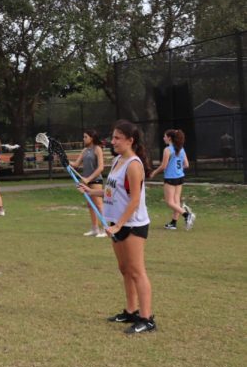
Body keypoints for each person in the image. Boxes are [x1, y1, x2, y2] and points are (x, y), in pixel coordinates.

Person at [78, 120, 156, 334]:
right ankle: (131, 311)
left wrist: (120, 224)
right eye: (112, 137)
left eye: (117, 138)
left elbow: (134, 200)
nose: (113, 142)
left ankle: (147, 318)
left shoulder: (133, 164)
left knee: (137, 271)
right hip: (114, 223)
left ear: (130, 140)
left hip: (132, 224)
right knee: (125, 269)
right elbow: (112, 192)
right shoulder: (118, 161)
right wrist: (91, 191)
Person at [149, 129, 194, 230]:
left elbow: (164, 166)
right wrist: (177, 169)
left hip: (170, 178)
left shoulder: (168, 150)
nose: (163, 138)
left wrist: (154, 172)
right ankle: (173, 223)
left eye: (165, 136)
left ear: (169, 138)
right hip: (180, 177)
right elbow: (186, 164)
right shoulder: (181, 149)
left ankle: (187, 215)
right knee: (176, 200)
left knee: (169, 202)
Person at [71, 129, 106, 237]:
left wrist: (89, 178)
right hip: (86, 181)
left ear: (92, 138)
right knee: (90, 205)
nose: (84, 139)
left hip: (95, 180)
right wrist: (65, 161)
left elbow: (101, 168)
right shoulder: (84, 150)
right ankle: (95, 229)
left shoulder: (97, 149)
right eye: (84, 137)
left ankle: (105, 229)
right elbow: (76, 164)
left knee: (99, 205)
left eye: (85, 137)